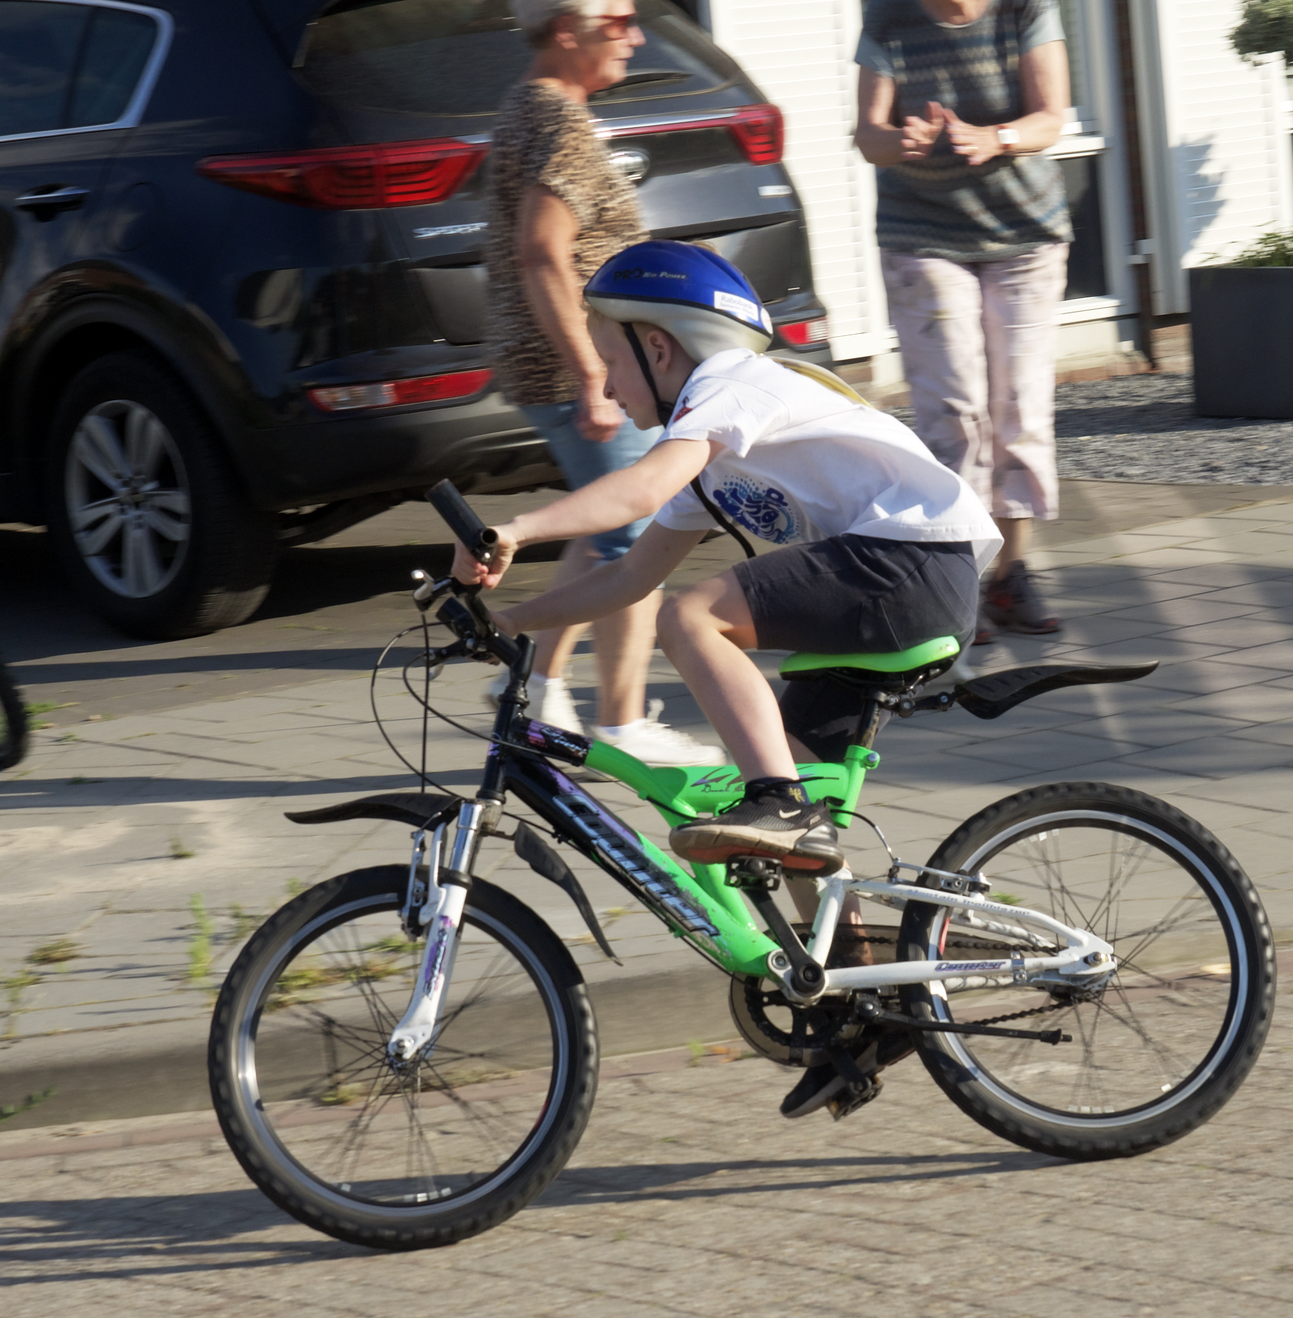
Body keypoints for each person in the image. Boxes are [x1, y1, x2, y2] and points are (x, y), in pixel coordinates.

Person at [456, 242, 998, 1119]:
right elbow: (626, 575)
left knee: (692, 618)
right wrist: (506, 623)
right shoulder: (709, 455)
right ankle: (860, 1008)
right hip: (892, 581)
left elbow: (637, 492)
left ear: (659, 346)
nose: (606, 387)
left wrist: (512, 528)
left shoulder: (732, 384)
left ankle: (779, 803)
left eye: (609, 360)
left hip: (913, 562)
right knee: (794, 807)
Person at [484, 0, 718, 765]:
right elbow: (541, 251)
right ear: (566, 29)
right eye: (616, 19)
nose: (635, 35)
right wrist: (593, 372)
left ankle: (539, 680)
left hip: (551, 359)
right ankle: (618, 720)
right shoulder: (559, 121)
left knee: (609, 526)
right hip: (583, 363)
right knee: (636, 539)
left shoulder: (528, 103)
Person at [853, 0, 1071, 642]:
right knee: (954, 415)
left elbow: (1051, 118)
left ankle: (1012, 573)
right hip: (923, 238)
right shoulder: (889, 15)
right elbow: (868, 137)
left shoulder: (1024, 9)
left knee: (1021, 410)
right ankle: (957, 582)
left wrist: (996, 137)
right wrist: (901, 140)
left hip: (1024, 234)